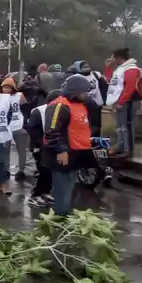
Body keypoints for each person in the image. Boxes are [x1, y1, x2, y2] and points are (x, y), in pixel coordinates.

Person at [45, 75, 96, 216]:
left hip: (76, 153)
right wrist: (61, 150)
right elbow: (52, 131)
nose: (86, 94)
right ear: (75, 90)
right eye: (84, 91)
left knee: (70, 187)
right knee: (62, 188)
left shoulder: (80, 105)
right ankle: (60, 216)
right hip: (64, 153)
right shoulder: (59, 106)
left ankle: (66, 213)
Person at [105, 48, 142, 156]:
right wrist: (108, 68)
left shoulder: (131, 69)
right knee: (120, 126)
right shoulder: (120, 69)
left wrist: (121, 102)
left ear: (118, 58)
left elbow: (130, 87)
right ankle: (120, 146)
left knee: (126, 126)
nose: (111, 59)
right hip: (120, 100)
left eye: (112, 57)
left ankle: (127, 149)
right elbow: (112, 82)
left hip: (129, 102)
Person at [26, 89, 59, 207]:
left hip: (52, 146)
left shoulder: (61, 111)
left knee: (50, 171)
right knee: (42, 171)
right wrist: (42, 144)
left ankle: (45, 192)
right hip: (39, 146)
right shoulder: (38, 111)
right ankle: (35, 195)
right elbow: (32, 129)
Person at [1, 78, 30, 181]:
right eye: (4, 87)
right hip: (6, 127)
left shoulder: (19, 95)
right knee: (5, 151)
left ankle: (21, 170)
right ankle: (6, 170)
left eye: (8, 87)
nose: (6, 89)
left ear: (13, 88)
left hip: (18, 125)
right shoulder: (0, 97)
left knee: (21, 150)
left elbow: (26, 108)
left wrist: (25, 122)